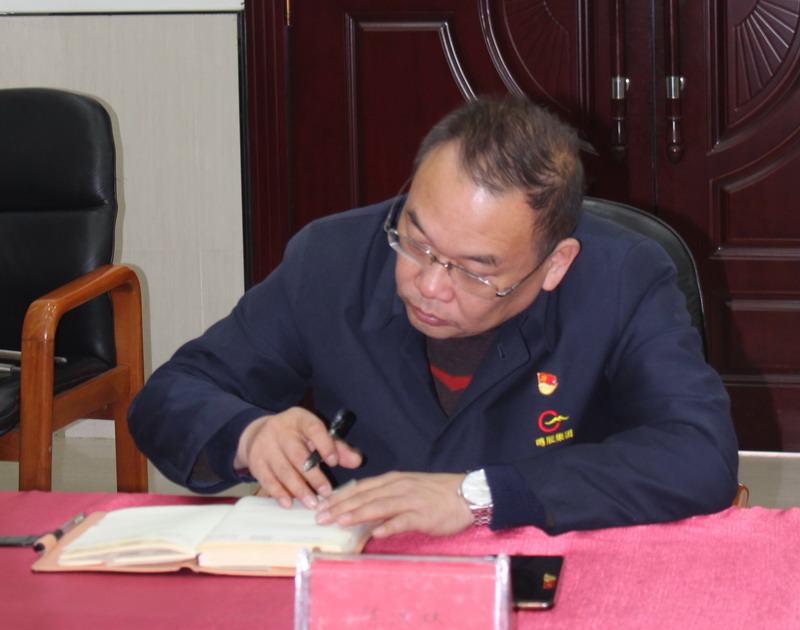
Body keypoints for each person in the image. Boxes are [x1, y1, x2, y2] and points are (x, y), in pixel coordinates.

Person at [128, 95, 738, 537]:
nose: (429, 286)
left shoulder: (623, 278)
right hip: (360, 569)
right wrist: (248, 434)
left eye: (475, 270)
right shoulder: (331, 258)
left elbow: (697, 454)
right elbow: (171, 394)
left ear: (554, 264)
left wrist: (482, 496)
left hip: (548, 564)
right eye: (416, 242)